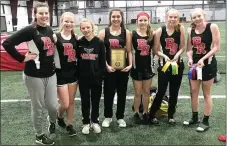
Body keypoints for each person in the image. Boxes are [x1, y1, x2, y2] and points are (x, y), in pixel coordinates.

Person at [2, 2, 58, 145]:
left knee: (53, 106)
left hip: (51, 74)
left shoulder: (49, 29)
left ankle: (52, 122)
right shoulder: (30, 30)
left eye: (46, 13)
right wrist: (22, 58)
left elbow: (47, 49)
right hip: (34, 76)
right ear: (35, 14)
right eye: (41, 13)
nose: (44, 16)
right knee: (38, 107)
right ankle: (39, 135)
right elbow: (7, 43)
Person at [183, 8, 220, 132]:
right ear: (191, 19)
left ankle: (205, 121)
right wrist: (189, 58)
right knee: (193, 91)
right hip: (195, 65)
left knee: (206, 93)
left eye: (199, 16)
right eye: (194, 17)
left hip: (208, 65)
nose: (197, 19)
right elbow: (189, 49)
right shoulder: (191, 30)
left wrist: (203, 59)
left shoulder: (212, 27)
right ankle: (194, 117)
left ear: (203, 15)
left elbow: (216, 47)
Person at [149, 9, 185, 126]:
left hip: (178, 65)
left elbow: (182, 47)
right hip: (164, 65)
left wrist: (176, 56)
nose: (173, 19)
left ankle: (171, 115)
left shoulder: (181, 29)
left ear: (178, 18)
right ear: (166, 17)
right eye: (171, 17)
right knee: (161, 91)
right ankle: (152, 114)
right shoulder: (160, 30)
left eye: (175, 17)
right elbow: (155, 49)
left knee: (174, 91)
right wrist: (164, 55)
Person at [98, 8, 132, 128]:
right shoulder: (103, 32)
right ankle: (108, 116)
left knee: (122, 93)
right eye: (114, 17)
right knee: (108, 93)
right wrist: (106, 66)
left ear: (121, 18)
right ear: (110, 18)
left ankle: (120, 117)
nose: (116, 19)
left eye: (118, 17)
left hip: (122, 69)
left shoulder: (126, 32)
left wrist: (130, 65)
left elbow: (129, 51)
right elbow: (100, 53)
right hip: (108, 69)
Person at [77, 18, 106, 134]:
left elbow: (102, 62)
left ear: (92, 28)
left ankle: (95, 121)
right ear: (80, 29)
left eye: (88, 27)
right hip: (83, 78)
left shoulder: (99, 42)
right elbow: (77, 60)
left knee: (95, 101)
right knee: (85, 101)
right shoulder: (79, 43)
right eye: (83, 28)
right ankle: (85, 122)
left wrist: (99, 76)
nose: (86, 30)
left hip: (96, 78)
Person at [53, 12, 78, 137]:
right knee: (65, 103)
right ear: (61, 22)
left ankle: (69, 124)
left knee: (71, 102)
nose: (69, 24)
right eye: (66, 21)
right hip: (60, 73)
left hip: (73, 73)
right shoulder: (56, 37)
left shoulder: (76, 37)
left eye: (71, 21)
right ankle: (59, 116)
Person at [130, 12, 155, 124]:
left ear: (148, 21)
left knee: (146, 92)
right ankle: (136, 112)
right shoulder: (133, 34)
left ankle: (145, 112)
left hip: (148, 67)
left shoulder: (152, 34)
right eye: (141, 20)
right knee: (137, 92)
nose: (143, 22)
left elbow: (155, 50)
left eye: (145, 20)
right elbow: (129, 51)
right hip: (137, 67)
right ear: (137, 21)